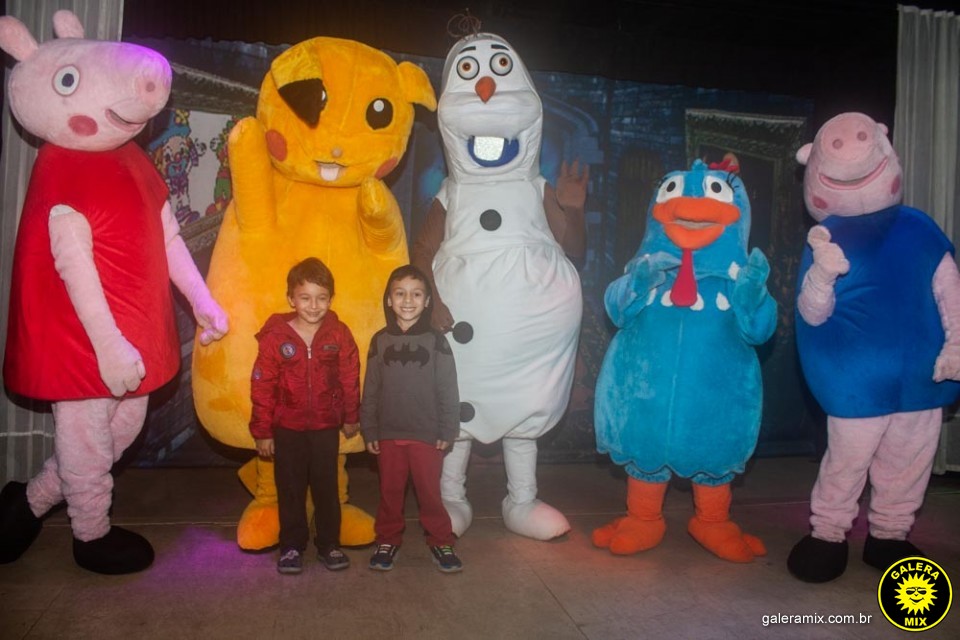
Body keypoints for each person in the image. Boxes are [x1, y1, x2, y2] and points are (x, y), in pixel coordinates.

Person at [249, 257, 361, 575]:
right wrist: (263, 431)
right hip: (287, 428)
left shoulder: (339, 334)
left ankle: (329, 544)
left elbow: (350, 376)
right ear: (291, 299)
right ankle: (291, 546)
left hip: (325, 426)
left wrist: (351, 415)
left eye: (321, 298)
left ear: (331, 299)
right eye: (305, 298)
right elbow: (262, 385)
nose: (314, 306)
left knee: (327, 487)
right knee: (290, 489)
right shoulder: (275, 337)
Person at [361, 265, 463, 573]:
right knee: (389, 493)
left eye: (416, 294)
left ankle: (441, 539)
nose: (408, 300)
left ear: (427, 301)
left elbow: (448, 389)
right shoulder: (380, 341)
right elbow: (371, 389)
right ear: (389, 300)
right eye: (400, 293)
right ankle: (387, 539)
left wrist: (448, 428)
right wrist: (369, 429)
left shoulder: (436, 342)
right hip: (389, 433)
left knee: (430, 493)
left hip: (427, 434)